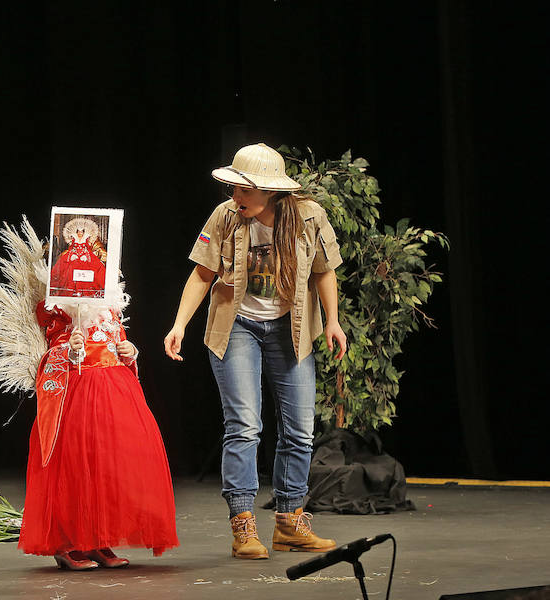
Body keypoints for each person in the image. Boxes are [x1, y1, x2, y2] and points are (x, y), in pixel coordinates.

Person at [163, 143, 347, 560]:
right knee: (244, 425)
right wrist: (179, 325)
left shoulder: (308, 216)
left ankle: (289, 522)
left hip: (291, 329)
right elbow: (202, 273)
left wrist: (332, 321)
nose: (235, 197)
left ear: (269, 191)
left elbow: (324, 271)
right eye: (234, 188)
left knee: (300, 430)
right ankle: (244, 525)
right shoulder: (225, 218)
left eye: (244, 190)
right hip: (237, 329)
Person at [18, 297, 179, 569]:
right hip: (78, 391)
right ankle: (68, 543)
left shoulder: (110, 306)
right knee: (76, 467)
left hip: (113, 389)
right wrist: (70, 352)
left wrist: (129, 351)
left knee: (108, 468)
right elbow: (50, 352)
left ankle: (97, 539)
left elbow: (115, 342)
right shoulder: (58, 306)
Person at [48, 216, 107, 298]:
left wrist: (86, 256)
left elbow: (88, 249)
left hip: (85, 256)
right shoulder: (74, 238)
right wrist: (71, 256)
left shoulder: (86, 238)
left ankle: (86, 293)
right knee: (67, 270)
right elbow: (71, 248)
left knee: (95, 269)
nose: (80, 233)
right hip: (74, 256)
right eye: (78, 231)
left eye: (82, 231)